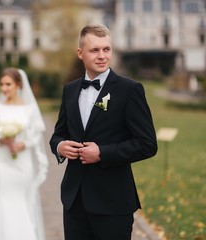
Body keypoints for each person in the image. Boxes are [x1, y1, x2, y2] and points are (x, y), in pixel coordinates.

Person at [49, 24, 157, 240]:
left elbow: (147, 144)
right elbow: (58, 134)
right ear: (80, 53)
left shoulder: (130, 90)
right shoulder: (70, 91)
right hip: (74, 202)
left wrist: (102, 153)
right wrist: (60, 146)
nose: (102, 56)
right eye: (94, 50)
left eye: (106, 49)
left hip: (113, 203)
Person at [0, 68, 48, 240]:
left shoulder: (30, 109)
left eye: (8, 84)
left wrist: (23, 144)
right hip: (1, 162)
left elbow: (36, 135)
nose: (4, 88)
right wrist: (2, 140)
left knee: (20, 201)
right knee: (1, 198)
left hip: (22, 163)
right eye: (1, 84)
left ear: (18, 85)